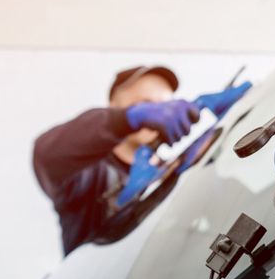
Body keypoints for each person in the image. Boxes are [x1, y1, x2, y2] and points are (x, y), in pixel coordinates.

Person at [33, 65, 201, 256]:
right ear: (113, 105)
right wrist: (127, 120)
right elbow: (48, 153)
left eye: (163, 105)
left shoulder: (171, 171)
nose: (158, 111)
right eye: (145, 104)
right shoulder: (85, 172)